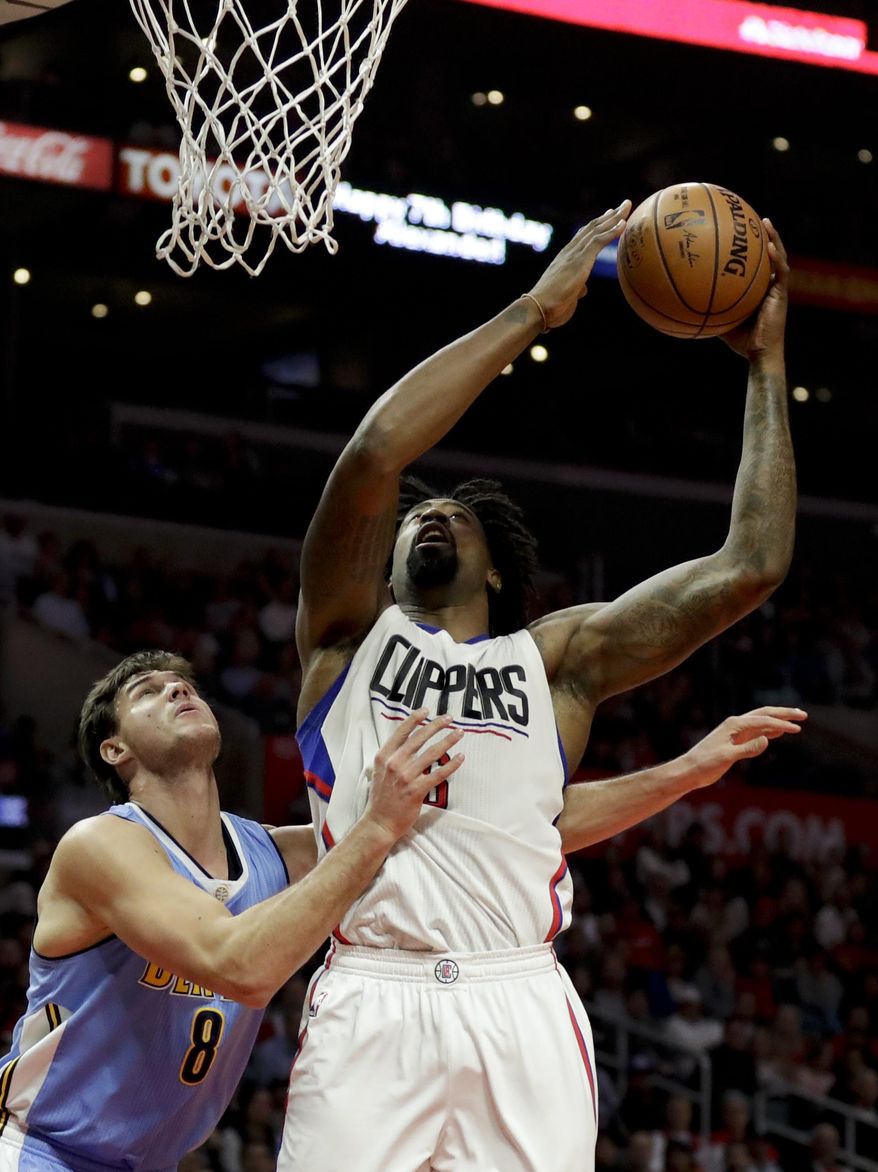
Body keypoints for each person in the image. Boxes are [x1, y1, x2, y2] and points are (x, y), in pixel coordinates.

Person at [279, 200, 797, 1171]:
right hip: (371, 997)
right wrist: (530, 312)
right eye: (414, 518)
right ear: (381, 567)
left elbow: (749, 565)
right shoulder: (346, 639)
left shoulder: (555, 661)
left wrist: (765, 364)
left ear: (499, 573)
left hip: (516, 997)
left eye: (455, 517)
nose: (427, 515)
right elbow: (374, 454)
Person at [0, 649, 463, 1171]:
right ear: (115, 749)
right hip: (44, 1151)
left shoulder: (266, 853)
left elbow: (452, 845)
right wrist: (375, 827)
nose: (178, 690)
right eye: (148, 692)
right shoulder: (100, 844)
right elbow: (241, 966)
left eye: (185, 686)